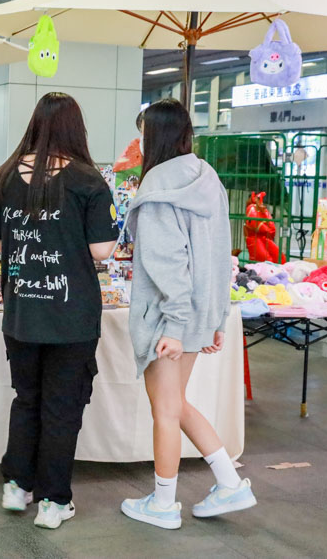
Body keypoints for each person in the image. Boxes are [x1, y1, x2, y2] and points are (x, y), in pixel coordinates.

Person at [0, 92, 119, 530]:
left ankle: (17, 486)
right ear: (76, 129)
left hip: (21, 311)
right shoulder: (88, 181)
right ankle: (55, 502)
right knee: (62, 407)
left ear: (34, 124)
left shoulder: (4, 176)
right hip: (71, 316)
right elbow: (103, 249)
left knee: (27, 399)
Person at [120, 99, 256, 530]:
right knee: (175, 404)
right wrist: (215, 318)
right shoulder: (206, 177)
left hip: (168, 319)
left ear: (154, 134)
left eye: (142, 132)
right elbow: (219, 253)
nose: (139, 141)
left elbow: (169, 263)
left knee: (165, 408)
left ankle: (163, 504)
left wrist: (176, 327)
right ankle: (230, 483)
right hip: (197, 313)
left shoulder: (157, 186)